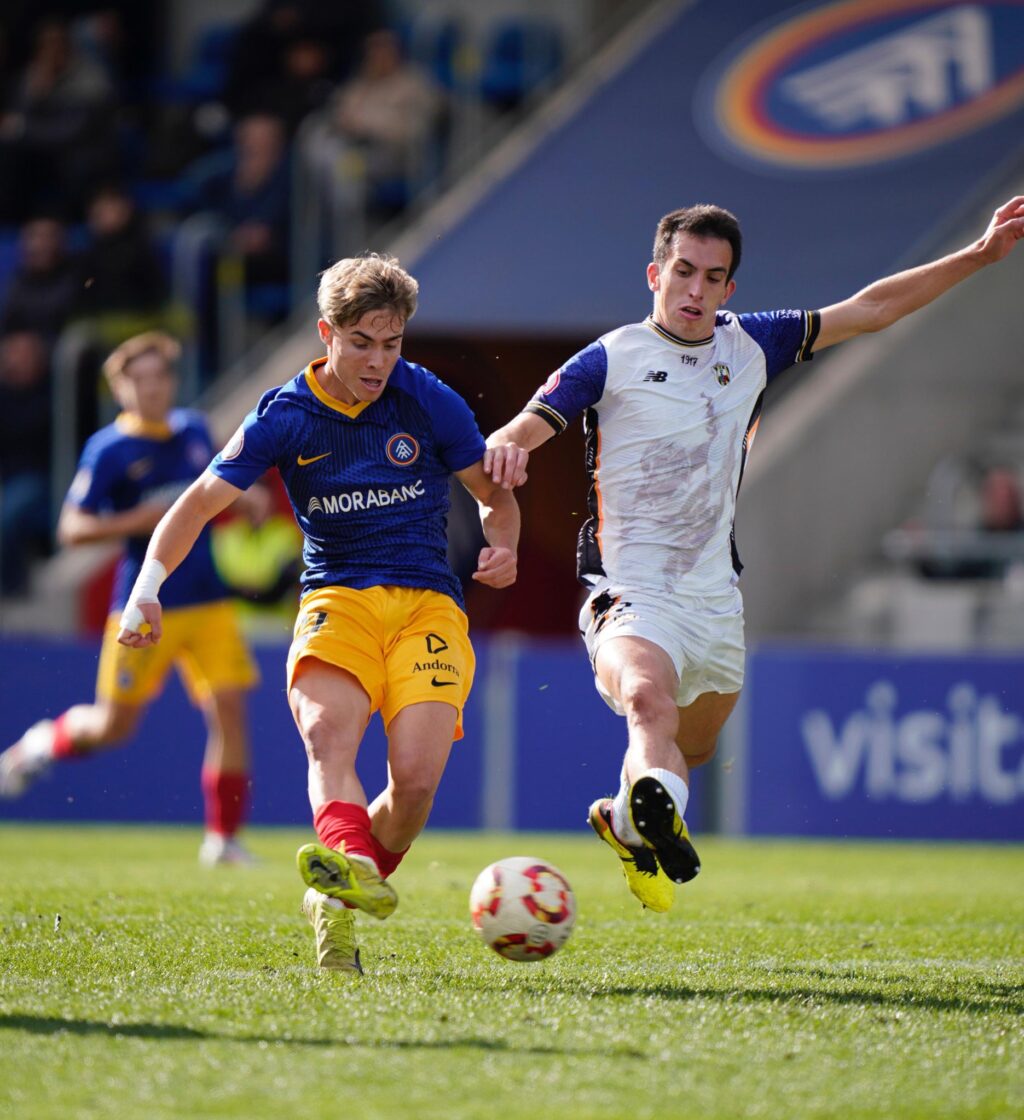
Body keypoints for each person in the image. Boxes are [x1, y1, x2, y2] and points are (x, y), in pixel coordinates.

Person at [484, 195, 1024, 913]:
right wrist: (505, 452)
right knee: (648, 703)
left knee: (692, 749)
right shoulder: (611, 358)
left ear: (730, 288)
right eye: (684, 271)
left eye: (713, 277)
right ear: (655, 274)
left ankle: (625, 819)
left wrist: (978, 255)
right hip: (627, 587)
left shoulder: (753, 343)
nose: (696, 290)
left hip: (713, 600)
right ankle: (650, 810)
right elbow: (523, 426)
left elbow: (869, 310)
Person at [115, 254, 524, 974]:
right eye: (361, 342)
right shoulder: (285, 414)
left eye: (391, 343)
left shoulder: (427, 398)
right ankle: (341, 893)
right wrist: (146, 587)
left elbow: (492, 492)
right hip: (335, 596)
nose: (378, 361)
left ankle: (338, 893)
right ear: (325, 333)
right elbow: (198, 505)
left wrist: (505, 544)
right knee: (329, 739)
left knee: (418, 779)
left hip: (427, 601)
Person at [0, 331, 260, 867]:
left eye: (158, 376)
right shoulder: (109, 449)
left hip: (208, 602)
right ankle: (41, 743)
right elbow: (71, 529)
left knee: (229, 710)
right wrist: (135, 521)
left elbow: (214, 488)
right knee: (113, 727)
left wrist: (248, 498)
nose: (150, 388)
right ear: (120, 389)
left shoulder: (193, 430)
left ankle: (223, 840)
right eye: (137, 380)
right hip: (143, 605)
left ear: (172, 380)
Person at [0, 329, 52, 596]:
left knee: (8, 512)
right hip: (7, 476)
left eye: (24, 354)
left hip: (38, 478)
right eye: (11, 353)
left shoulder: (52, 397)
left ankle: (11, 589)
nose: (15, 360)